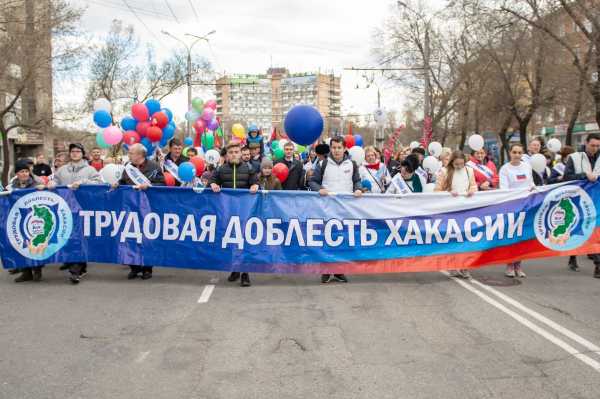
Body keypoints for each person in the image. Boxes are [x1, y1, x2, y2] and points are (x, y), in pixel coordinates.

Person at [309, 136, 362, 284]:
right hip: (327, 209)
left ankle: (339, 271)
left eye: (339, 147)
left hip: (346, 209)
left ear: (345, 148)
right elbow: (312, 181)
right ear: (330, 148)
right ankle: (326, 271)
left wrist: (358, 189)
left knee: (342, 239)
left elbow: (357, 180)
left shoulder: (352, 164)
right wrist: (319, 189)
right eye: (334, 147)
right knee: (327, 239)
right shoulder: (323, 163)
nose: (336, 150)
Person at [48, 143, 103, 284]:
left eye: (78, 151)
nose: (75, 153)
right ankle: (79, 266)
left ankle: (76, 270)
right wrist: (51, 183)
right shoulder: (62, 169)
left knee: (79, 238)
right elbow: (55, 180)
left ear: (82, 153)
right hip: (64, 208)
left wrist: (83, 182)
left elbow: (99, 183)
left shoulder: (90, 169)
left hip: (83, 208)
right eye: (72, 151)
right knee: (69, 237)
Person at [210, 141, 259, 287]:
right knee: (231, 242)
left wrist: (256, 185)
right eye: (231, 153)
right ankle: (235, 269)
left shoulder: (249, 169)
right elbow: (212, 181)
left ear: (240, 153)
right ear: (227, 155)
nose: (234, 154)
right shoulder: (220, 170)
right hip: (227, 212)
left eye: (236, 152)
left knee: (243, 243)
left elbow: (256, 183)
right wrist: (213, 184)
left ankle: (245, 274)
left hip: (244, 212)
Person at [113, 143, 165, 280]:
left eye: (131, 153)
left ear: (140, 154)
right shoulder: (128, 167)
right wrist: (118, 183)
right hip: (130, 207)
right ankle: (134, 267)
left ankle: (147, 268)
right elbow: (124, 181)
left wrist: (149, 186)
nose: (129, 155)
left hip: (148, 207)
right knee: (130, 236)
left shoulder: (153, 166)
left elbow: (162, 184)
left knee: (146, 237)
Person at [435, 151, 477, 279]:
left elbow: (474, 186)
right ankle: (453, 264)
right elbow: (436, 191)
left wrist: (472, 190)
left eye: (461, 164)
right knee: (453, 237)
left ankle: (465, 266)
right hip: (451, 210)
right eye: (456, 164)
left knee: (466, 237)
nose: (459, 167)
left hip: (466, 209)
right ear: (452, 162)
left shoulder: (469, 171)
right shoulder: (444, 172)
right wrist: (448, 192)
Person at [563, 133, 600, 278]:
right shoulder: (575, 157)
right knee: (577, 229)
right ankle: (573, 256)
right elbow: (567, 177)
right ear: (586, 143)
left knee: (596, 231)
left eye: (598, 146)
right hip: (579, 201)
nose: (595, 148)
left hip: (597, 200)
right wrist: (585, 176)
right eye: (592, 145)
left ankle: (598, 265)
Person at [5, 159, 47, 282]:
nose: (24, 174)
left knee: (35, 244)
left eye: (26, 171)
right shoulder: (12, 186)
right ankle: (26, 272)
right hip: (18, 220)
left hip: (34, 219)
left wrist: (43, 189)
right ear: (17, 174)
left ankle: (37, 270)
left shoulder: (35, 184)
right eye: (21, 171)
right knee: (21, 245)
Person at [499, 144, 535, 278]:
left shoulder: (526, 166)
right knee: (512, 236)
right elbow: (504, 189)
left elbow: (531, 183)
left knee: (522, 237)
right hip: (512, 207)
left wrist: (534, 189)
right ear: (510, 153)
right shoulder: (505, 169)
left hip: (526, 206)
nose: (517, 155)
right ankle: (509, 265)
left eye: (520, 152)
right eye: (514, 152)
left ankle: (518, 265)